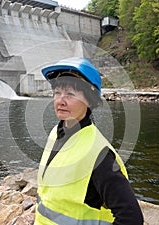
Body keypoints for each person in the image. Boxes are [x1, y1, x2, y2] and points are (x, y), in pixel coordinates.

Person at [35, 57, 143, 225]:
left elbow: (131, 218)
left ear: (89, 99)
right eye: (57, 93)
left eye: (70, 94)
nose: (60, 101)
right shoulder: (56, 133)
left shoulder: (98, 153)